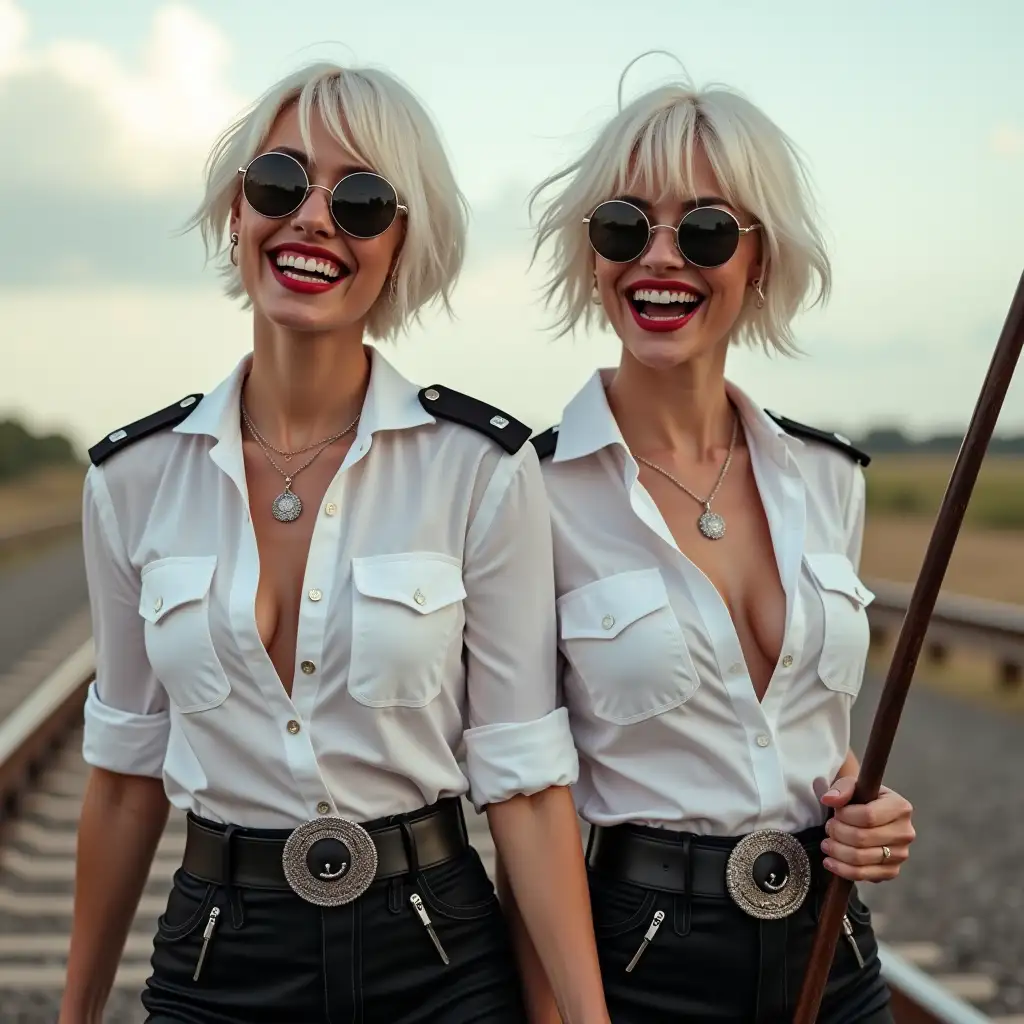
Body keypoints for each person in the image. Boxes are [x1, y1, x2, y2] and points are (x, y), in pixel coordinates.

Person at [59, 61, 610, 1024]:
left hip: (436, 957)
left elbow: (523, 788)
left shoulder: (480, 470)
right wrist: (75, 1014)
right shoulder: (130, 480)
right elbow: (123, 780)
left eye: (360, 201)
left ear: (403, 247)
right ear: (238, 214)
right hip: (218, 961)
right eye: (280, 183)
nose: (313, 218)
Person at [518, 60, 917, 1023]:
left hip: (835, 956)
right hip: (638, 964)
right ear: (592, 253)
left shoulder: (829, 479)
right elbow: (523, 800)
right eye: (625, 226)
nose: (660, 258)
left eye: (702, 230)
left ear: (759, 259)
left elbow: (812, 737)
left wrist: (871, 814)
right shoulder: (526, 491)